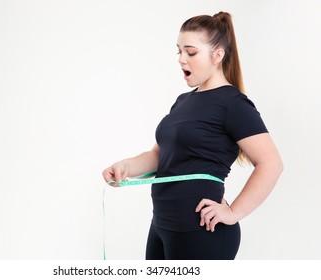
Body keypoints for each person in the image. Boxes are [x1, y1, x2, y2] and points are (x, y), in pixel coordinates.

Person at [102, 11, 283, 260]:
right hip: (161, 226)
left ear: (217, 55)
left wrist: (232, 212)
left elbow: (271, 163)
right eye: (179, 51)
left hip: (200, 231)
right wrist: (126, 166)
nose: (181, 59)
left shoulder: (234, 104)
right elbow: (159, 155)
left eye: (191, 52)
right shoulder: (183, 101)